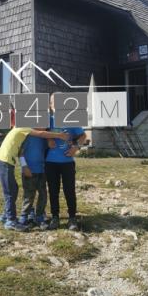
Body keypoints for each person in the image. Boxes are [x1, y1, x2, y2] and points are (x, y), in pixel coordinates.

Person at [0, 127, 69, 231]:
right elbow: (41, 134)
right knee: (12, 192)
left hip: (16, 164)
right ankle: (12, 220)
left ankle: (7, 216)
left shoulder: (27, 132)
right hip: (5, 163)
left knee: (16, 190)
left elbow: (46, 140)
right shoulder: (23, 128)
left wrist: (51, 139)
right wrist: (59, 135)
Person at [46, 94, 87, 231]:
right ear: (50, 105)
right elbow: (38, 132)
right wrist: (48, 139)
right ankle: (55, 217)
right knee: (53, 191)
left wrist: (75, 147)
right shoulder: (47, 120)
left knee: (69, 190)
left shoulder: (71, 118)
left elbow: (83, 135)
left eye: (60, 101)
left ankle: (72, 218)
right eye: (54, 102)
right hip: (50, 162)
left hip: (67, 162)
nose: (57, 104)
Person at [18, 134, 48, 229]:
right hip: (28, 171)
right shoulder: (27, 135)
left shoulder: (44, 137)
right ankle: (25, 215)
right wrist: (24, 166)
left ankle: (39, 215)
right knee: (29, 195)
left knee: (43, 194)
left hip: (42, 170)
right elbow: (20, 152)